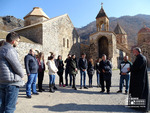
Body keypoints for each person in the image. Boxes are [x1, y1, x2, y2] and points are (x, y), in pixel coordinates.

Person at [0, 32, 24, 113]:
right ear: (13, 41)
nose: (18, 43)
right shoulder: (9, 49)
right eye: (18, 41)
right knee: (10, 108)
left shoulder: (1, 49)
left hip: (2, 81)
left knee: (2, 106)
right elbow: (16, 65)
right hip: (11, 82)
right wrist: (22, 74)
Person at [129, 47, 149, 112]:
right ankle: (136, 105)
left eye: (134, 51)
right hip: (138, 79)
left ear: (137, 51)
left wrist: (130, 69)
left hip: (139, 79)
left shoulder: (141, 58)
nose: (133, 52)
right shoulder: (140, 57)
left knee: (139, 92)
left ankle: (138, 106)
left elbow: (137, 67)